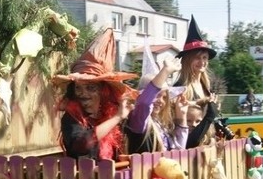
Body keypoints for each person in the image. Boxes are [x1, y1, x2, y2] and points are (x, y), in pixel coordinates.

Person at [53, 28, 136, 160]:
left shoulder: (110, 114)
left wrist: (123, 159)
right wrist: (117, 117)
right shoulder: (71, 118)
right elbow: (81, 144)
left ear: (104, 91)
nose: (82, 94)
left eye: (91, 88)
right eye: (78, 88)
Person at [124, 44, 189, 154]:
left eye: (164, 97)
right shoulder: (138, 120)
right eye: (156, 95)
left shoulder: (161, 125)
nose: (161, 101)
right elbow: (144, 104)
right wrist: (165, 71)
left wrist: (182, 118)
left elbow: (178, 152)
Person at [173, 15, 218, 111]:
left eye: (204, 57)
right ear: (187, 60)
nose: (202, 62)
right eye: (197, 58)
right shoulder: (179, 88)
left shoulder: (206, 87)